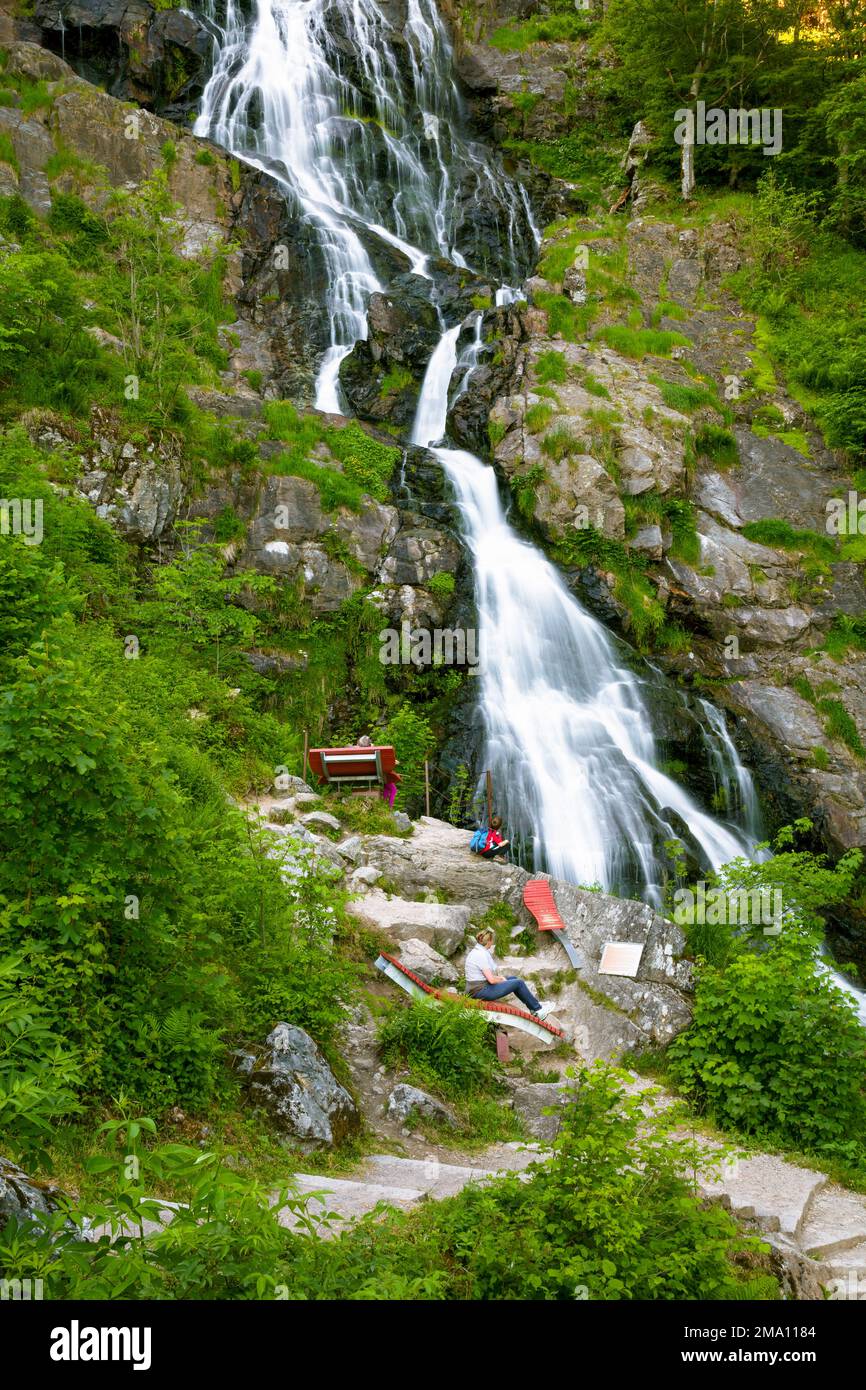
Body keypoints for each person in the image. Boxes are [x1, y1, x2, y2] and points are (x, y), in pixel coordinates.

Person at [464, 929, 558, 1021]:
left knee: (513, 979)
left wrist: (501, 978)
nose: (492, 942)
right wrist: (501, 980)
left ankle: (533, 1007)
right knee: (518, 983)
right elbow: (491, 980)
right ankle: (538, 1011)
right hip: (480, 992)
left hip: (477, 988)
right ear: (488, 941)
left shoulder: (476, 951)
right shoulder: (481, 955)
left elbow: (483, 976)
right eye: (492, 940)